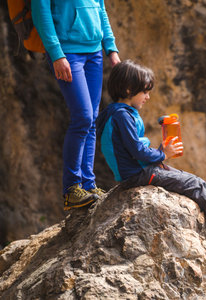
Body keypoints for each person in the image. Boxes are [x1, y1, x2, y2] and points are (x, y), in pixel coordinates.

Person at [96, 60, 206, 245]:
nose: (148, 97)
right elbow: (136, 151)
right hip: (137, 174)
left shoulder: (119, 113)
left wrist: (159, 154)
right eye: (145, 92)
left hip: (141, 169)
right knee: (193, 184)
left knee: (196, 181)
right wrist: (163, 154)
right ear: (128, 90)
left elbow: (131, 149)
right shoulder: (122, 115)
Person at [31, 0, 121, 210]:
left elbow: (101, 10)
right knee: (82, 117)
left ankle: (88, 185)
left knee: (91, 119)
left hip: (94, 52)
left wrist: (111, 47)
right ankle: (72, 188)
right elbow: (40, 13)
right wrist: (56, 53)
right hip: (67, 52)